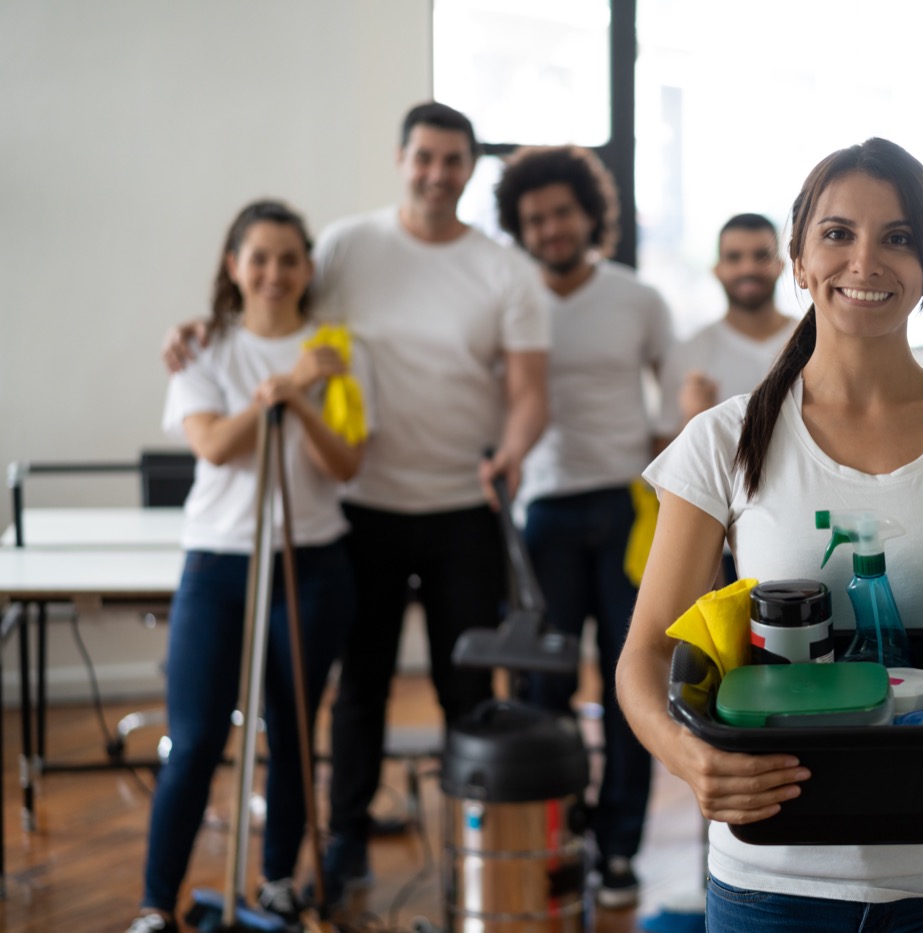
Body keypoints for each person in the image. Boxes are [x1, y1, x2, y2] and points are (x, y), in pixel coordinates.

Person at [615, 138, 923, 931]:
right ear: (799, 260)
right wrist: (690, 760)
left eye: (898, 238)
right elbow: (643, 655)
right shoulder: (722, 440)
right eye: (837, 233)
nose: (866, 261)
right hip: (772, 880)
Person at [162, 102, 550, 907]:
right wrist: (209, 325)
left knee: (466, 688)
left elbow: (528, 391)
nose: (437, 174)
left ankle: (471, 841)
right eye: (424, 158)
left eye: (453, 160)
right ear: (402, 159)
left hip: (462, 508)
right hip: (361, 506)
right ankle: (342, 846)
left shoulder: (502, 269)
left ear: (469, 168)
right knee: (361, 688)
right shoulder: (345, 244)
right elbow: (278, 304)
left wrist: (512, 450)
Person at [128, 200, 373, 933]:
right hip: (218, 563)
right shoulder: (202, 349)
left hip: (313, 563)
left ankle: (275, 882)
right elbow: (214, 445)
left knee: (292, 731)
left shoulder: (335, 350)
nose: (274, 272)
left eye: (289, 258)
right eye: (258, 257)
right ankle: (154, 901)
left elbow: (346, 463)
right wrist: (281, 387)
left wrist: (298, 395)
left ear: (308, 268)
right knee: (197, 734)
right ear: (233, 266)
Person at [493, 144, 672, 907]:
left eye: (563, 211)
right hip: (546, 514)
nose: (551, 227)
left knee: (634, 683)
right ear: (519, 228)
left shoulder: (638, 298)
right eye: (535, 218)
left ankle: (621, 848)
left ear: (589, 214)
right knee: (545, 686)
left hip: (628, 508)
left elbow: (676, 414)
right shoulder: (507, 300)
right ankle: (555, 835)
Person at [657, 213, 797, 442]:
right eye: (734, 257)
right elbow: (660, 454)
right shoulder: (687, 354)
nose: (748, 268)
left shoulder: (815, 342)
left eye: (761, 256)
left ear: (780, 266)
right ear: (717, 270)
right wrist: (692, 419)